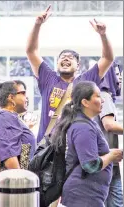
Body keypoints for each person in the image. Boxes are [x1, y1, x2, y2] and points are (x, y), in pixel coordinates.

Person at [26, 5, 114, 143]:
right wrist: (37, 25)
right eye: (62, 57)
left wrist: (103, 35)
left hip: (77, 146)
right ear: (57, 63)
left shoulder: (86, 81)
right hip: (49, 147)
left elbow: (107, 59)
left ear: (78, 66)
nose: (66, 58)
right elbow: (31, 52)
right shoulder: (48, 78)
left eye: (70, 57)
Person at [51, 81, 123, 207]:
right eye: (98, 96)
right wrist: (111, 156)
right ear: (85, 102)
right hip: (82, 197)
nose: (102, 101)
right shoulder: (83, 127)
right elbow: (90, 165)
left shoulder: (85, 123)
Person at [0, 79, 36, 203]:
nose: (26, 97)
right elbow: (8, 154)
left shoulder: (9, 117)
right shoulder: (5, 117)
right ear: (11, 97)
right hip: (12, 189)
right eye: (23, 93)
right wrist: (20, 189)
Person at [95, 62, 123, 207]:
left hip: (106, 161)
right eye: (117, 75)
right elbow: (109, 124)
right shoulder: (104, 94)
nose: (120, 79)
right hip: (107, 161)